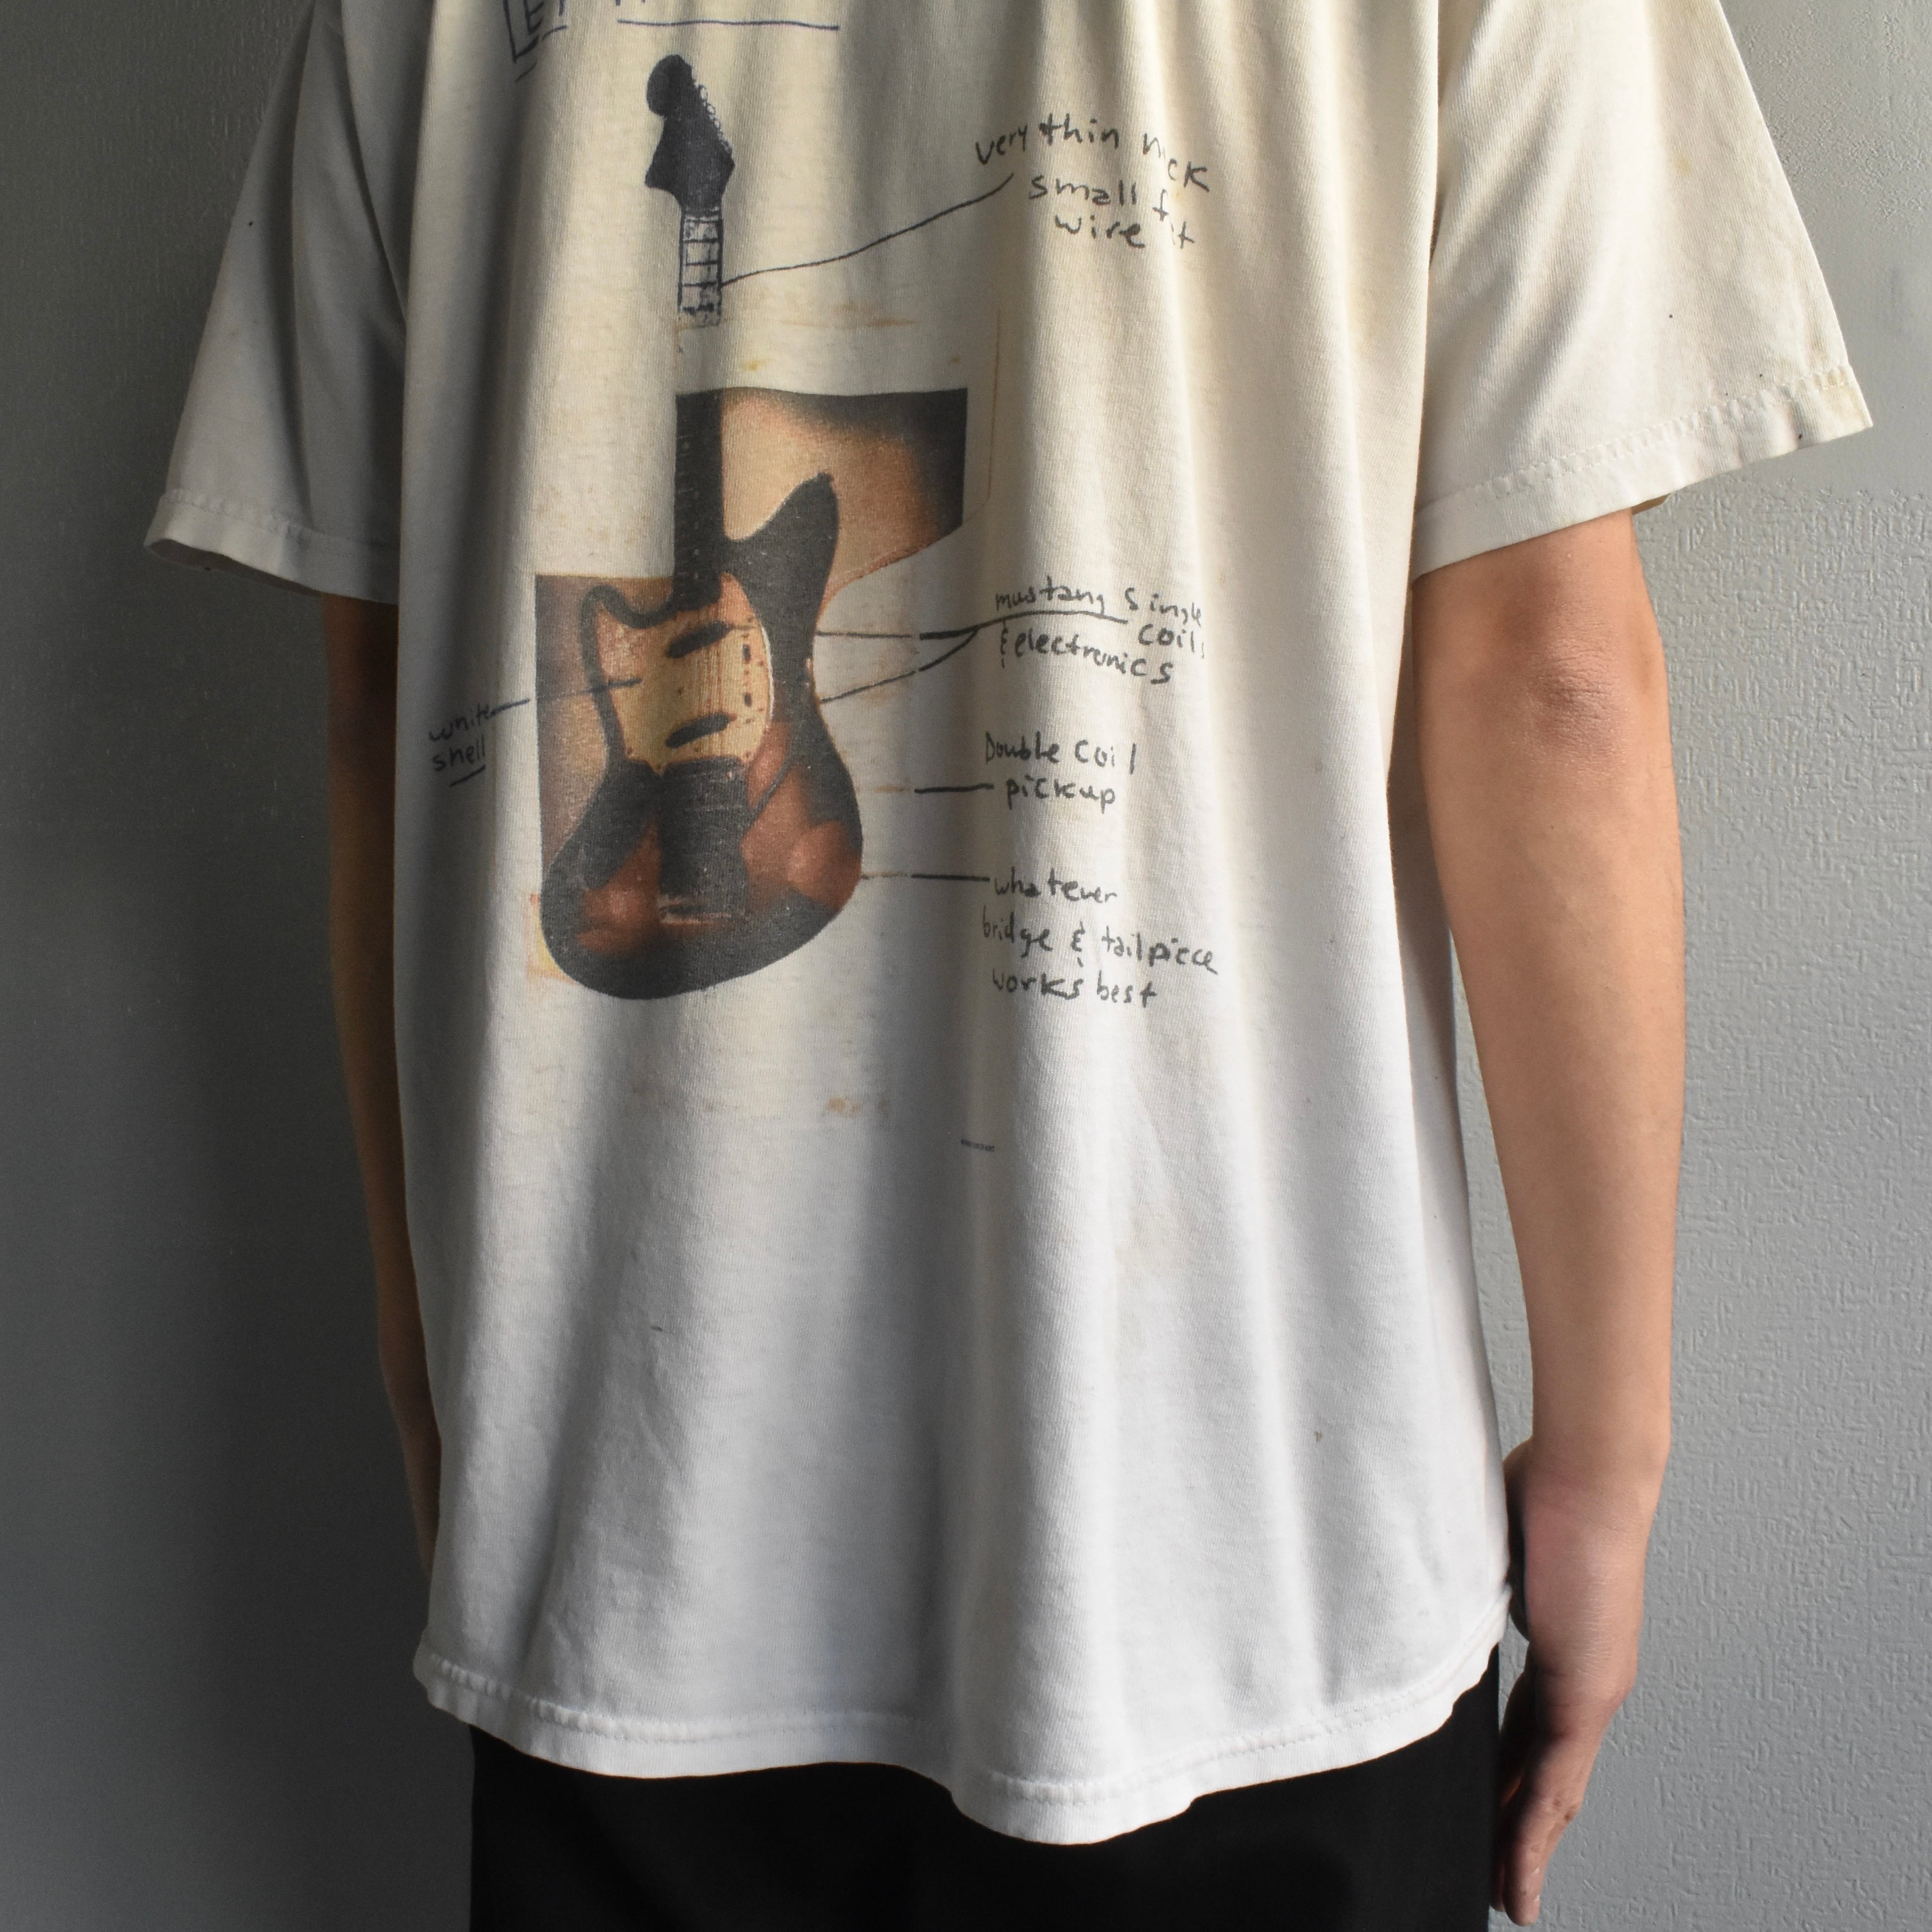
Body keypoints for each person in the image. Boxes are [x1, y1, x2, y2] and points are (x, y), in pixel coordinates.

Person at [149, 2, 1867, 1925]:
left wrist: (430, 1380)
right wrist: (1604, 1470)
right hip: (1256, 1547)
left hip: (626, 1514)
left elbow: (390, 702)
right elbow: (1549, 679)